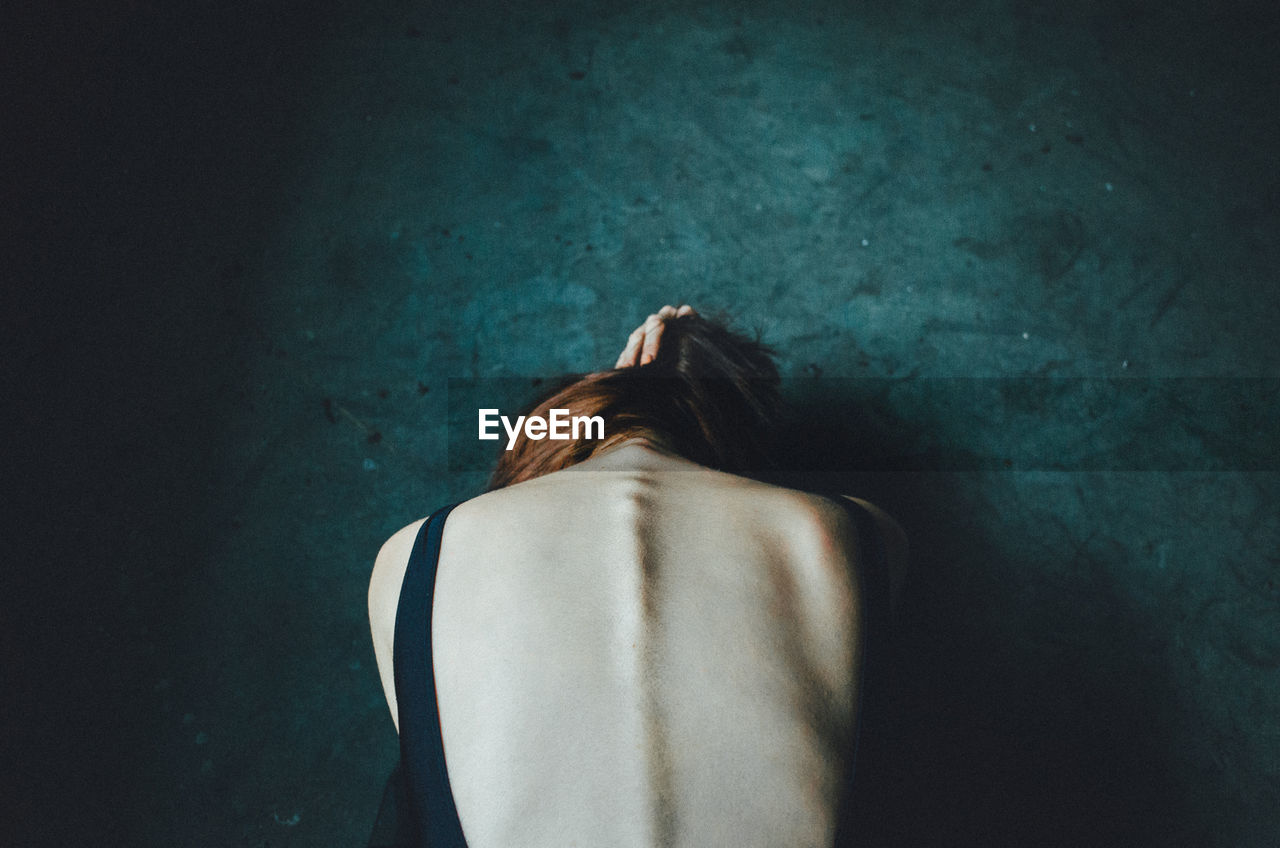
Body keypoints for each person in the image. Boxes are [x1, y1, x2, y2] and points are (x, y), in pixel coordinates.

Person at [367, 305, 908, 848]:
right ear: (732, 439)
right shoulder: (855, 533)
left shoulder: (415, 555)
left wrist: (626, 388)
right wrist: (673, 380)